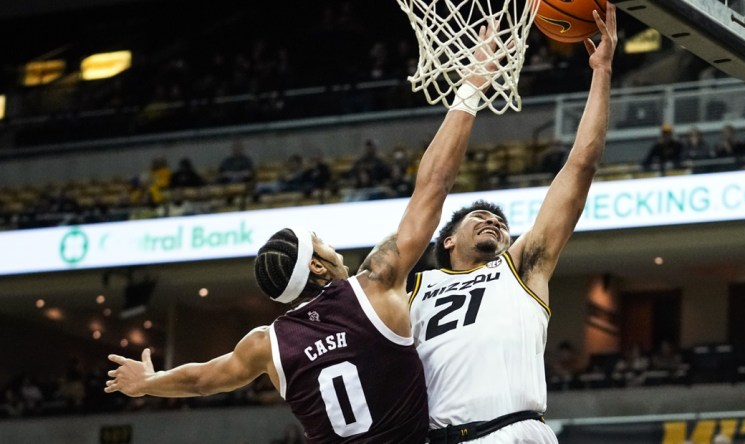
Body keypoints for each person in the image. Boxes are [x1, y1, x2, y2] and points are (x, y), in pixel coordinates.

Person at [105, 26, 504, 443]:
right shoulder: (373, 285)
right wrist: (470, 88)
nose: (332, 247)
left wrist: (149, 382)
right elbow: (433, 187)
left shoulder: (266, 344)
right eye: (322, 243)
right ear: (315, 264)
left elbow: (201, 381)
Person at [408, 5, 617, 443]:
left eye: (501, 223)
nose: (493, 222)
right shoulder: (412, 290)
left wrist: (601, 73)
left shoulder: (521, 267)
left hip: (515, 431)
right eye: (478, 217)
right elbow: (429, 185)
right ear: (446, 241)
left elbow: (579, 168)